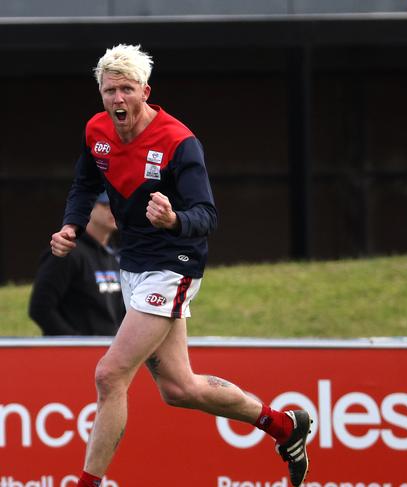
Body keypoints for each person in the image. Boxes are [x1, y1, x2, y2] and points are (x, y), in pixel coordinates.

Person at [50, 44, 311, 487]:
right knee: (179, 389)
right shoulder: (96, 131)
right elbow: (84, 183)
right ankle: (285, 428)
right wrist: (72, 226)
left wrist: (173, 219)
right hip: (133, 264)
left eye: (126, 90)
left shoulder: (178, 141)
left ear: (145, 92)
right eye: (109, 90)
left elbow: (207, 216)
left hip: (174, 265)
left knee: (110, 374)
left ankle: (86, 484)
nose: (117, 100)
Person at [29, 192, 125, 336]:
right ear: (87, 209)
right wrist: (75, 344)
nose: (113, 210)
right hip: (74, 353)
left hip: (110, 351)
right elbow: (41, 308)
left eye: (117, 204)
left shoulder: (115, 256)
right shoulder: (66, 251)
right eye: (106, 204)